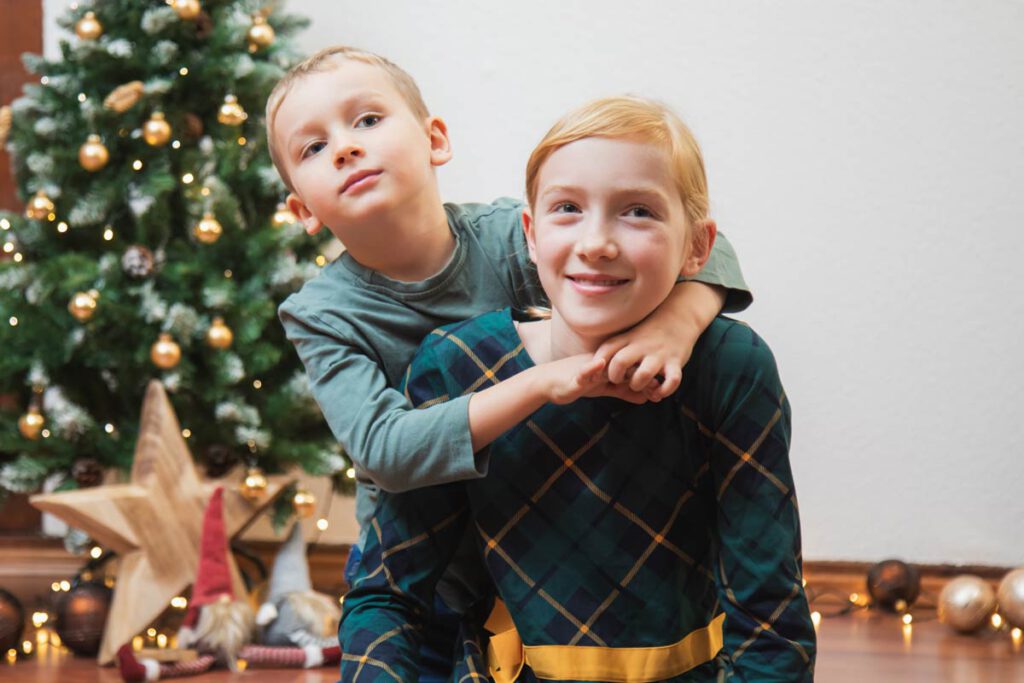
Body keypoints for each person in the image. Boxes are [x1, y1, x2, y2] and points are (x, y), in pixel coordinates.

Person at [267, 46, 752, 679]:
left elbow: (703, 248)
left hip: (545, 535)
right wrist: (542, 383)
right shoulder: (321, 313)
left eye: (367, 120)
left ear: (435, 139)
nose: (346, 148)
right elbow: (383, 450)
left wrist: (675, 326)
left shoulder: (511, 237)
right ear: (302, 209)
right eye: (312, 148)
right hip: (426, 572)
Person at [339, 96, 816, 682]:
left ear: (698, 245)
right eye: (568, 208)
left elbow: (771, 615)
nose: (596, 242)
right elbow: (389, 596)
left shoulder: (731, 367)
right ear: (531, 235)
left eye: (637, 211)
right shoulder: (456, 364)